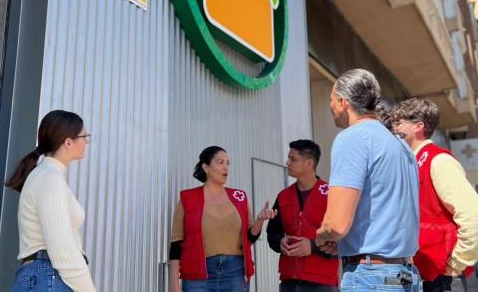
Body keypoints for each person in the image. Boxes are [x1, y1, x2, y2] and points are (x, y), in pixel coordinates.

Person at [314, 69, 422, 291]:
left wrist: (321, 236)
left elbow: (336, 225)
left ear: (343, 102)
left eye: (331, 100)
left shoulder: (353, 138)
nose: (330, 106)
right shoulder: (401, 146)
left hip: (373, 277)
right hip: (405, 274)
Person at [389, 98, 478, 292]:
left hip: (441, 280)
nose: (393, 128)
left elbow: (477, 217)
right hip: (415, 276)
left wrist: (455, 265)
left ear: (418, 126)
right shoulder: (411, 163)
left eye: (398, 123)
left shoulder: (439, 160)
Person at [5, 110, 96, 292]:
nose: (87, 142)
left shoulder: (47, 176)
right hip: (48, 277)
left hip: (44, 277)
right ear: (68, 142)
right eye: (84, 136)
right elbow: (62, 249)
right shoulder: (49, 178)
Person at [169, 146, 277, 292]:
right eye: (220, 162)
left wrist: (260, 220)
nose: (226, 167)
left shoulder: (240, 197)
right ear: (206, 167)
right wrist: (174, 284)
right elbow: (176, 244)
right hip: (197, 276)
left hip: (235, 273)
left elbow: (249, 237)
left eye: (228, 163)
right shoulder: (187, 198)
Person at [266, 140, 339, 292]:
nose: (287, 162)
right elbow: (272, 232)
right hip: (289, 281)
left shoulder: (332, 194)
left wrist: (312, 247)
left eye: (293, 159)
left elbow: (343, 236)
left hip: (322, 281)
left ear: (308, 163)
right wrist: (280, 241)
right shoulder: (283, 196)